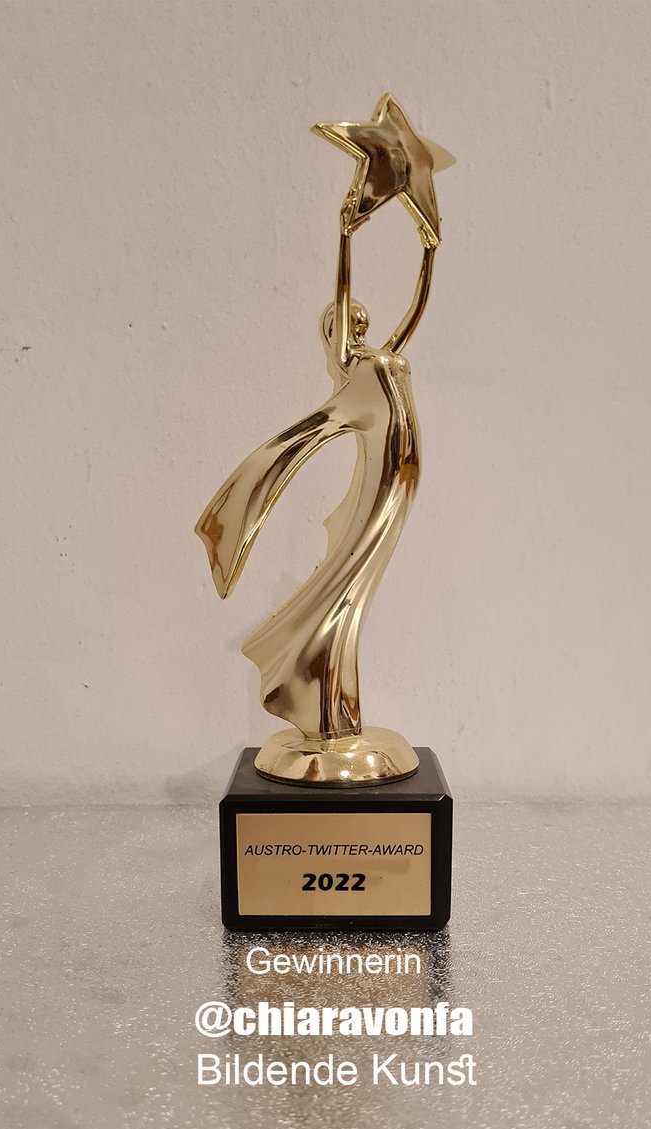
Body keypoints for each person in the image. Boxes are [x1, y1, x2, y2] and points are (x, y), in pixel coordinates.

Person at [195, 216, 435, 743]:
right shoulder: (354, 370)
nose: (357, 324)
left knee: (355, 590)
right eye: (344, 323)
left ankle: (337, 710)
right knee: (343, 585)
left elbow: (416, 310)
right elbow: (343, 294)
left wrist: (429, 248)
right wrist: (346, 234)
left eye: (357, 321)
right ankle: (322, 705)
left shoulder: (382, 357)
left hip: (401, 484)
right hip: (382, 487)